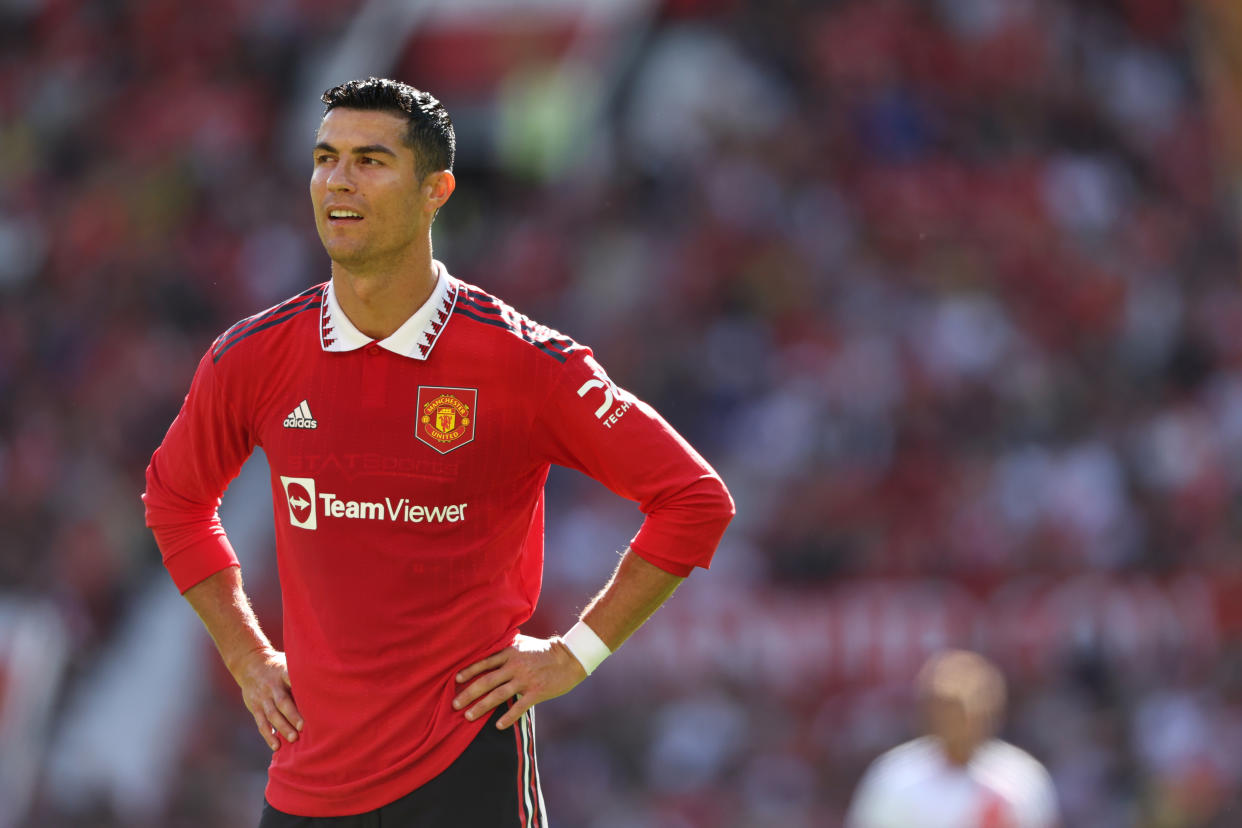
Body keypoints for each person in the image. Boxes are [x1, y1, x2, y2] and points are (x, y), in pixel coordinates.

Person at [141, 77, 734, 827]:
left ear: (436, 190)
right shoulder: (252, 358)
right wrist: (246, 655)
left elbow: (693, 500)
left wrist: (575, 654)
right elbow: (174, 499)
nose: (338, 181)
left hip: (467, 775)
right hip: (307, 783)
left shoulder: (523, 362)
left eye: (370, 160)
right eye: (325, 158)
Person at [845, 650, 1060, 828]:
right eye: (948, 709)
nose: (958, 724)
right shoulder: (895, 779)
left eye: (969, 711)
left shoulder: (1021, 780)